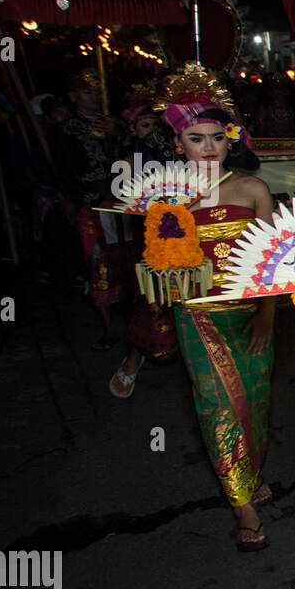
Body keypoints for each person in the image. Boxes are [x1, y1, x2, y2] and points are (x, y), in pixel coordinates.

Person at [157, 64, 277, 550]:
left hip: (251, 313)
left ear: (232, 140)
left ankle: (247, 474)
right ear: (178, 143)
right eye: (194, 137)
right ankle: (242, 507)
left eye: (216, 137)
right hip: (198, 316)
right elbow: (158, 269)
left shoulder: (253, 190)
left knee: (255, 404)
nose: (207, 146)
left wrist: (268, 315)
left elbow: (272, 263)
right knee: (216, 409)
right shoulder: (167, 198)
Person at [51, 71, 133, 349]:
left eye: (97, 90)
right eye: (86, 91)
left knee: (130, 260)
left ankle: (136, 321)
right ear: (73, 98)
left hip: (125, 202)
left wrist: (119, 135)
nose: (94, 96)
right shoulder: (66, 131)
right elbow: (62, 175)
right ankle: (108, 327)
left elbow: (140, 156)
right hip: (92, 205)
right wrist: (81, 202)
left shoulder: (120, 124)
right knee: (98, 262)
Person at [110, 88, 181, 398]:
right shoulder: (129, 159)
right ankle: (133, 359)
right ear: (132, 129)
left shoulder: (179, 153)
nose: (152, 134)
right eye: (145, 126)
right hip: (150, 235)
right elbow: (118, 198)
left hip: (186, 233)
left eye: (157, 126)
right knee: (149, 296)